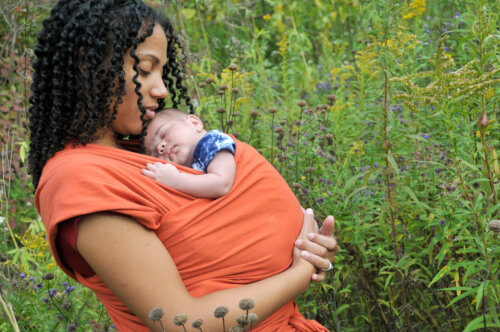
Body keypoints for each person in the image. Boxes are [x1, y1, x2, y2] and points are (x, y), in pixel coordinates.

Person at [29, 1, 338, 331]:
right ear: (86, 66)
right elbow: (183, 323)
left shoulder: (143, 148)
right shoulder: (80, 181)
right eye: (145, 69)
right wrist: (299, 274)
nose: (161, 90)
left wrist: (310, 248)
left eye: (162, 71)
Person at [142, 108, 237, 198]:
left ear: (194, 123)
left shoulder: (213, 142)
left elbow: (222, 184)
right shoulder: (189, 164)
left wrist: (175, 179)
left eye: (164, 133)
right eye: (154, 153)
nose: (160, 148)